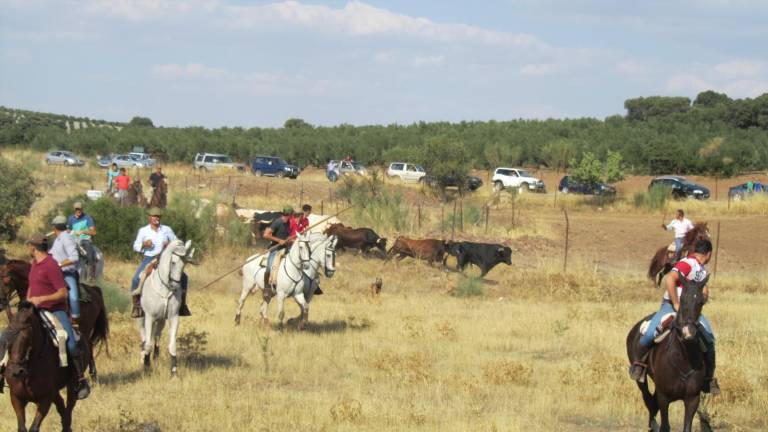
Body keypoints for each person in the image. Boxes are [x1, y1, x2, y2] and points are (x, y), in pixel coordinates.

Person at [629, 239, 720, 395]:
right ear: (709, 254)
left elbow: (703, 290)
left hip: (691, 313)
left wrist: (702, 299)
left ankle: (708, 379)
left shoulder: (702, 270)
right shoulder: (689, 263)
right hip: (670, 306)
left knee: (709, 339)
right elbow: (670, 278)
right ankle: (639, 366)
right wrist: (676, 303)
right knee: (650, 333)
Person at [26, 233, 91, 399]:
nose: (29, 249)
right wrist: (28, 300)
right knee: (10, 335)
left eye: (29, 246)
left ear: (33, 248)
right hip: (34, 310)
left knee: (69, 342)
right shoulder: (34, 264)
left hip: (55, 310)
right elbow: (31, 286)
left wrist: (42, 299)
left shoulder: (51, 265)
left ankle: (80, 379)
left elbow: (62, 293)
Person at [130, 207, 191, 318]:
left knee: (184, 277)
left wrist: (170, 245)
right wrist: (144, 245)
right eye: (154, 216)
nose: (156, 218)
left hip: (166, 258)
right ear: (149, 217)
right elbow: (135, 246)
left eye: (158, 216)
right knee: (136, 279)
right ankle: (136, 306)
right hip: (150, 258)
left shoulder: (167, 229)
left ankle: (182, 305)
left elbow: (178, 243)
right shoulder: (143, 231)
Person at [49, 216, 81, 325]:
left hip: (66, 273)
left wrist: (59, 264)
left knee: (73, 297)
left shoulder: (66, 237)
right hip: (54, 274)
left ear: (54, 228)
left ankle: (75, 319)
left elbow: (74, 257)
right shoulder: (57, 239)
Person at [262, 206, 294, 292]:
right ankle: (266, 288)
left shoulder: (288, 223)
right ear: (290, 215)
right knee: (269, 268)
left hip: (285, 249)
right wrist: (279, 240)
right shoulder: (277, 222)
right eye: (291, 215)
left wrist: (289, 238)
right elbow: (266, 235)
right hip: (275, 249)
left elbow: (285, 235)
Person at [68, 202, 97, 281]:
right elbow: (69, 230)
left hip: (85, 239)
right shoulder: (71, 218)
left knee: (88, 250)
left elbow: (93, 232)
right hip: (74, 240)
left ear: (82, 209)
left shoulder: (87, 218)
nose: (78, 211)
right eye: (77, 209)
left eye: (80, 209)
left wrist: (83, 231)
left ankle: (91, 275)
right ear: (74, 209)